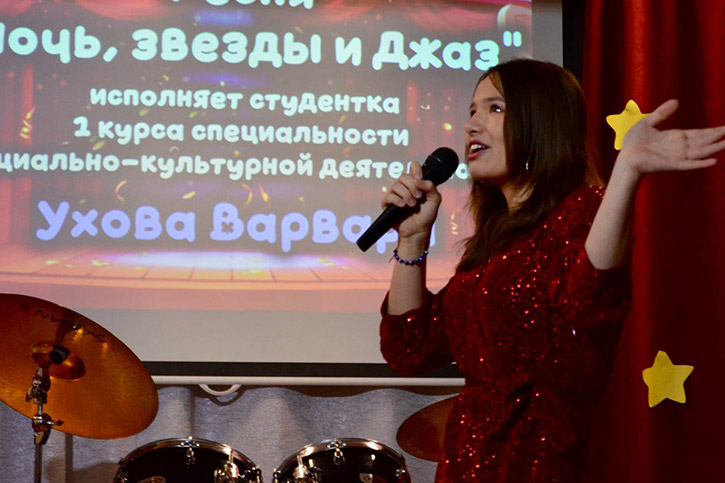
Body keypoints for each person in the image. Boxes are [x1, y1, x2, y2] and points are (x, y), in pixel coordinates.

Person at [379, 58, 725, 482]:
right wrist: (412, 239)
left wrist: (627, 171)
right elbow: (410, 348)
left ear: (541, 122)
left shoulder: (580, 212)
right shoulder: (494, 244)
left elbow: (589, 299)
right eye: (471, 111)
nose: (470, 125)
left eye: (494, 108)